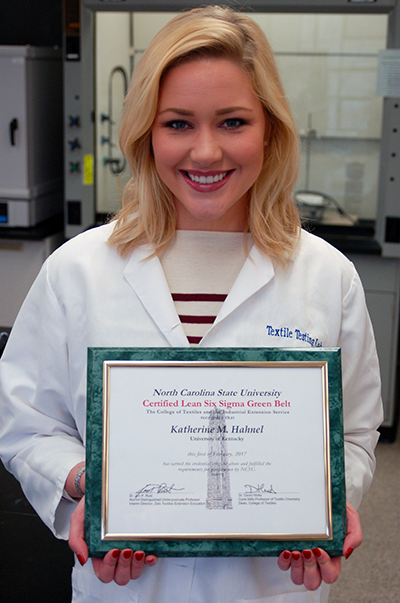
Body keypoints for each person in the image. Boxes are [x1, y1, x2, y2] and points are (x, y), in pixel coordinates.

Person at [0, 6, 382, 603]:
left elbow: (356, 430)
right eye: (178, 123)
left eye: (233, 121)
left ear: (270, 130)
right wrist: (86, 484)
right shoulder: (76, 271)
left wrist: (332, 496)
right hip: (123, 587)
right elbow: (28, 424)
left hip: (271, 587)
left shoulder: (327, 276)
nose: (205, 152)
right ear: (147, 133)